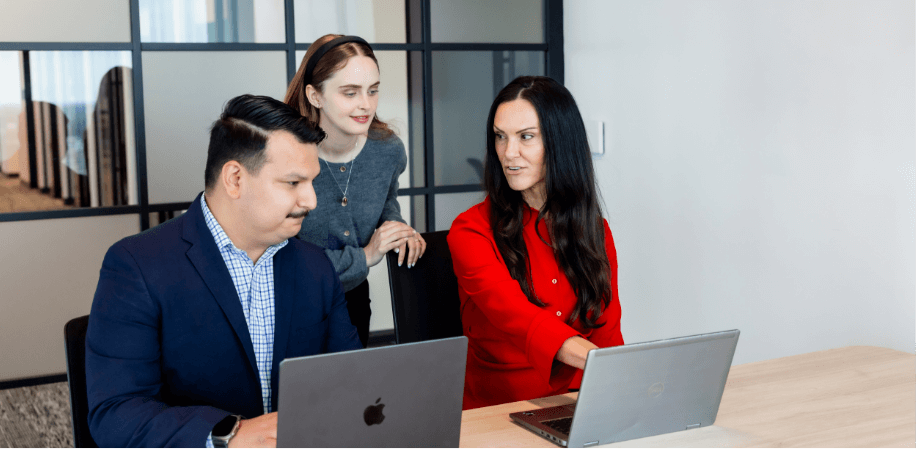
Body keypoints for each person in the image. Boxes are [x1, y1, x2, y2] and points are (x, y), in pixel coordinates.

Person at [85, 94, 361, 448]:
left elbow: (352, 379)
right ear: (234, 179)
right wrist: (228, 434)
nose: (311, 200)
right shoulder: (136, 265)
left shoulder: (314, 266)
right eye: (293, 183)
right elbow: (116, 413)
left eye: (312, 182)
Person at [447, 76, 624, 410]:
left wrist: (624, 387)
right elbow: (521, 319)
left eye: (526, 137)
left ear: (559, 143)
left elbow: (607, 331)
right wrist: (615, 367)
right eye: (500, 137)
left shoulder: (595, 229)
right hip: (500, 410)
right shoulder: (470, 231)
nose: (508, 153)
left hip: (580, 403)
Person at [285, 34, 425, 347]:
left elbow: (387, 200)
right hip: (291, 302)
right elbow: (279, 257)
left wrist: (396, 229)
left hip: (352, 301)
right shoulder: (286, 157)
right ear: (315, 95)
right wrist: (365, 256)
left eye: (372, 91)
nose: (366, 104)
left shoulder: (387, 150)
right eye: (350, 93)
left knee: (354, 393)